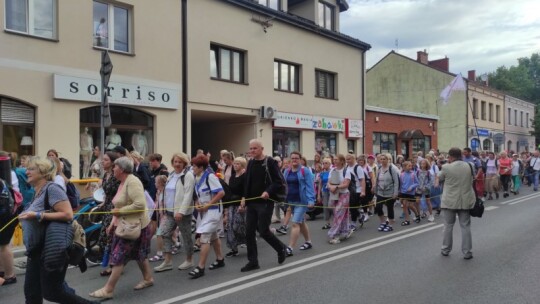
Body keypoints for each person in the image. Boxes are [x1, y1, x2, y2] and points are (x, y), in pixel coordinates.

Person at [19, 157, 96, 303]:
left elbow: (68, 214)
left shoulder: (52, 188)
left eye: (31, 169)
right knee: (32, 293)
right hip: (35, 250)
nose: (26, 171)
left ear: (43, 172)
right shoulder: (38, 191)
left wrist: (37, 215)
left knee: (53, 293)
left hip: (50, 249)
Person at [90, 157, 154, 300]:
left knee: (118, 257)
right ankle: (148, 278)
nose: (113, 169)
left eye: (115, 166)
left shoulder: (133, 182)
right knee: (139, 254)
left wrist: (119, 213)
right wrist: (113, 222)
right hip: (127, 224)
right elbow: (118, 205)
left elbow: (139, 204)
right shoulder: (123, 182)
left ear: (122, 169)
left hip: (133, 225)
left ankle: (108, 289)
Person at [239, 139, 287, 272]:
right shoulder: (250, 163)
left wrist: (267, 191)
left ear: (261, 149)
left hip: (265, 202)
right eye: (251, 148)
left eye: (255, 148)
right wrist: (244, 199)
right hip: (252, 202)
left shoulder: (270, 162)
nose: (252, 151)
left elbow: (278, 181)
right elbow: (247, 183)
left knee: (263, 230)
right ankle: (253, 261)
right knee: (249, 232)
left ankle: (280, 248)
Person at [154, 153, 196, 272]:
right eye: (175, 162)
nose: (177, 164)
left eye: (180, 162)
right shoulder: (171, 175)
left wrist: (181, 212)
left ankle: (189, 259)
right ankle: (168, 261)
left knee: (186, 236)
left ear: (184, 164)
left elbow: (188, 195)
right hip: (169, 212)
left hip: (182, 213)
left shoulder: (188, 176)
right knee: (164, 233)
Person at [435, 147, 476, 260]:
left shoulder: (446, 167)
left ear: (451, 156)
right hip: (465, 200)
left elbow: (439, 177)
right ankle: (467, 252)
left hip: (450, 201)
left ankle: (445, 249)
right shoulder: (470, 165)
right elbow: (474, 177)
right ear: (461, 155)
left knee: (448, 226)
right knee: (465, 226)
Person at [189, 154, 225, 279]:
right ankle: (220, 259)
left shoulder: (210, 176)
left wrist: (208, 205)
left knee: (204, 237)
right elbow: (199, 195)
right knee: (213, 235)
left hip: (213, 211)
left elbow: (221, 193)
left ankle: (200, 267)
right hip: (204, 212)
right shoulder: (196, 177)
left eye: (194, 166)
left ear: (201, 167)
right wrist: (198, 203)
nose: (192, 168)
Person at [283, 151, 315, 256]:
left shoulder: (304, 171)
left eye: (296, 158)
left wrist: (311, 200)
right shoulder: (286, 171)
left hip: (301, 202)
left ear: (300, 159)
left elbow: (310, 186)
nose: (294, 160)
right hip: (291, 201)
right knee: (301, 222)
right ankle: (308, 242)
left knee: (295, 223)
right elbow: (284, 186)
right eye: (292, 158)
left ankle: (290, 248)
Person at [93, 152, 120, 274]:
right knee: (106, 235)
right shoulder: (106, 175)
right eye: (103, 160)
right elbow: (106, 193)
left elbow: (120, 192)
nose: (103, 162)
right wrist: (103, 202)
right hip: (107, 207)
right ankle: (112, 262)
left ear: (113, 162)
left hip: (115, 207)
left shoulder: (117, 175)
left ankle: (114, 264)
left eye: (106, 160)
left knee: (110, 235)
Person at [327, 154, 353, 244]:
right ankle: (346, 230)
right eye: (334, 159)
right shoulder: (332, 170)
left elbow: (346, 184)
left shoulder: (347, 171)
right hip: (334, 195)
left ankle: (334, 234)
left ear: (342, 161)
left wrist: (336, 187)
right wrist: (330, 187)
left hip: (344, 194)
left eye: (337, 159)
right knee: (340, 214)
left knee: (338, 213)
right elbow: (328, 182)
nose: (335, 161)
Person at [0, 151, 17, 287]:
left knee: (4, 245)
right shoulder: (9, 175)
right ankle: (3, 272)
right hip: (10, 213)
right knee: (3, 244)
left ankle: (10, 275)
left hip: (4, 215)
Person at [225, 157, 247, 257]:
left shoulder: (245, 176)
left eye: (238, 164)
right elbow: (229, 191)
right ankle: (233, 248)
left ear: (242, 165)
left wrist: (243, 204)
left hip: (240, 204)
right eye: (235, 164)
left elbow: (245, 191)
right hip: (231, 204)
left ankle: (247, 240)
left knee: (237, 226)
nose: (235, 165)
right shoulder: (232, 177)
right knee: (230, 226)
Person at [374, 153, 400, 232]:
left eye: (384, 159)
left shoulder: (392, 169)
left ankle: (390, 224)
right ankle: (383, 222)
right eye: (381, 159)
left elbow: (396, 182)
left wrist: (395, 193)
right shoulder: (379, 168)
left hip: (390, 192)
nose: (382, 161)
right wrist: (375, 190)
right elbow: (377, 180)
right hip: (380, 192)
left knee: (390, 208)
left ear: (388, 160)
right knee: (378, 207)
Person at [318, 157, 332, 229]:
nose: (324, 164)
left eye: (326, 163)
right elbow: (320, 184)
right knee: (325, 207)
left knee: (331, 206)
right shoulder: (322, 173)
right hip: (324, 191)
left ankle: (336, 221)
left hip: (332, 191)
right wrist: (318, 195)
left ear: (330, 164)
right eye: (323, 163)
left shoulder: (332, 171)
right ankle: (327, 223)